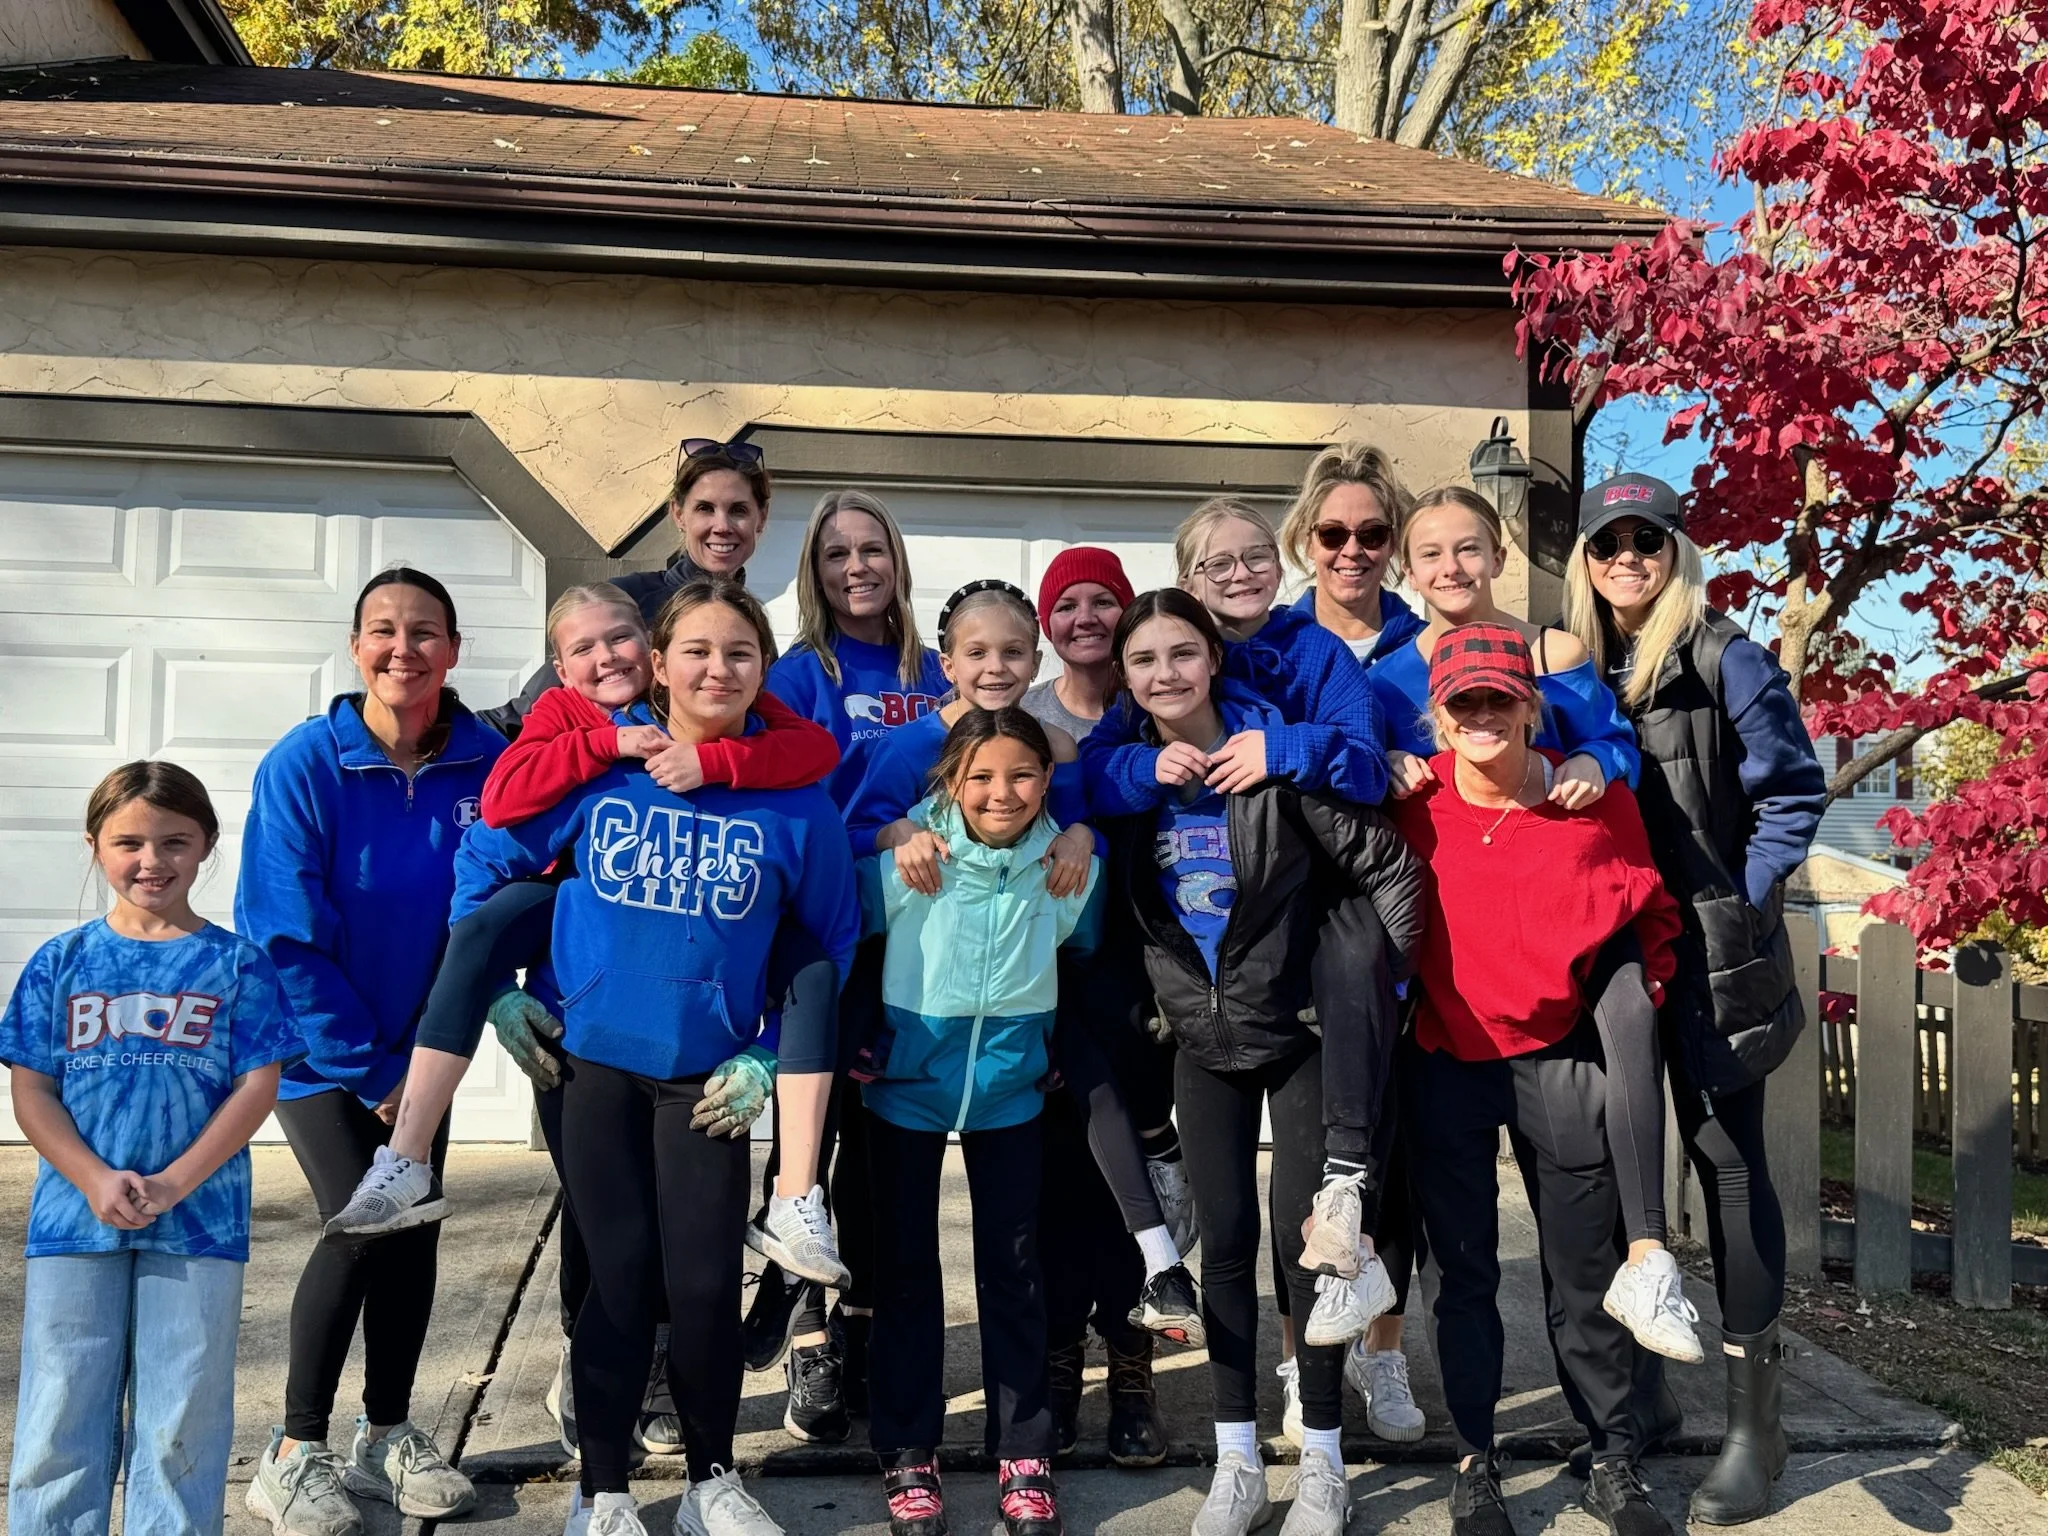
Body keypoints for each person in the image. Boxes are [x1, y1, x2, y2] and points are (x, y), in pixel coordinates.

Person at [453, 578, 860, 1536]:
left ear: (763, 672)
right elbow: (487, 864)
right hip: (587, 1065)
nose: (717, 669)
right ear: (660, 663)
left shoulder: (796, 800)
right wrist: (500, 990)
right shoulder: (600, 769)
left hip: (708, 1079)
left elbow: (829, 942)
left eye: (740, 655)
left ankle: (714, 1482)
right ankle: (604, 1497)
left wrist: (766, 1051)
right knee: (621, 1276)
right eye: (698, 652)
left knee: (708, 1284)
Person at [1099, 589, 1424, 1536]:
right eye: (1145, 660)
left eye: (1183, 654)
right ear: (1125, 677)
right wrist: (1131, 770)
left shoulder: (1271, 760)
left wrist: (1368, 995)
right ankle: (1237, 1460)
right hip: (1203, 1048)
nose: (1167, 675)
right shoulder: (1129, 781)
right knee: (1227, 1250)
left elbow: (1389, 871)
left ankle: (1323, 1461)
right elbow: (1075, 802)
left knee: (1308, 1252)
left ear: (1214, 659)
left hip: (1296, 1038)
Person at [1368, 486, 1699, 1363]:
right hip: (1453, 905)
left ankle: (1646, 1264)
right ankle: (1378, 1329)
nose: (1450, 568)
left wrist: (1592, 752)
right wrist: (1388, 759)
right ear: (1409, 567)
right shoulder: (1394, 670)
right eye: (1431, 553)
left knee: (1627, 1013)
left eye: (1468, 549)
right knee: (1424, 1168)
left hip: (1564, 878)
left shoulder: (1552, 649)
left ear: (1499, 555)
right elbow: (1362, 757)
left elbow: (1617, 744)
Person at [1566, 474, 1826, 1525]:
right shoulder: (1575, 662)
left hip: (1710, 957)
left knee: (1723, 1162)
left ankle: (1752, 1433)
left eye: (1646, 540)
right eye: (1606, 543)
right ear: (1584, 559)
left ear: (1674, 548)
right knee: (1615, 1168)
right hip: (1608, 953)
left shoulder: (1726, 656)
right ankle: (1642, 1399)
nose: (1626, 558)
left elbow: (1791, 791)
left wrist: (1736, 897)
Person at [848, 580, 1201, 1345]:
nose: (996, 666)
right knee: (885, 1202)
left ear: (1035, 658)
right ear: (947, 663)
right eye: (977, 652)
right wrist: (896, 834)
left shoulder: (1054, 746)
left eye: (1013, 652)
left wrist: (1085, 840)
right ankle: (828, 1316)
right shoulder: (908, 746)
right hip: (920, 973)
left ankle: (1147, 1253)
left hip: (1025, 963)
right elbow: (859, 831)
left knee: (1080, 1080)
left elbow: (1076, 828)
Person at [1390, 623, 1684, 1536]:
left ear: (1530, 705)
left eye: (1499, 699)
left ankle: (1611, 1454)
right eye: (1463, 702)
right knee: (1464, 1269)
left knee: (1582, 1262)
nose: (1482, 716)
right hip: (1446, 1057)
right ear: (1439, 717)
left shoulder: (1588, 799)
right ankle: (1475, 1459)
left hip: (1558, 1057)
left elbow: (1647, 915)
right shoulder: (1410, 801)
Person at [237, 567, 493, 1536]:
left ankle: (384, 1434)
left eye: (424, 632)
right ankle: (293, 1450)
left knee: (416, 1224)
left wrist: (440, 1047)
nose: (403, 649)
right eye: (382, 631)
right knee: (361, 1221)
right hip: (313, 1053)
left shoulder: (482, 760)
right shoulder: (307, 763)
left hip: (426, 1050)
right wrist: (376, 1073)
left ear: (454, 651)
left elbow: (509, 883)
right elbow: (282, 932)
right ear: (355, 649)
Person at [4, 762, 299, 1536]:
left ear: (206, 846)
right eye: (129, 841)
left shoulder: (237, 964)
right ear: (95, 845)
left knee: (183, 1416)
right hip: (74, 1221)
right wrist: (94, 1177)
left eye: (175, 841)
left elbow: (256, 1087)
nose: (151, 861)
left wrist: (172, 1183)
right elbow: (33, 1090)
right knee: (61, 1407)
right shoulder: (59, 965)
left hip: (201, 1223)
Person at [861, 707, 1102, 1536]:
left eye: (1024, 775)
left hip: (1012, 1094)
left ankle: (1023, 1451)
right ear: (950, 782)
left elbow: (1086, 957)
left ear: (1048, 780)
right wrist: (865, 1040)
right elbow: (845, 943)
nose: (1003, 793)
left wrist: (1054, 1050)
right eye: (983, 778)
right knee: (902, 1272)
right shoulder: (906, 862)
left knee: (1015, 1268)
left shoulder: (1067, 866)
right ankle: (906, 1449)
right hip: (905, 1090)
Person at [746, 488, 948, 1440]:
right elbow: (805, 798)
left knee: (881, 1158)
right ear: (815, 573)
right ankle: (807, 1341)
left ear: (897, 563)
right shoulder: (796, 675)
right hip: (832, 937)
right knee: (808, 1149)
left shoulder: (945, 669)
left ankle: (863, 1335)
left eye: (874, 549)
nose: (858, 567)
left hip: (922, 945)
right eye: (837, 555)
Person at [1273, 442, 1430, 1446]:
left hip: (1403, 920)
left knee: (1391, 1161)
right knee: (1303, 1164)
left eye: (1373, 533)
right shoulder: (1274, 643)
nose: (1352, 549)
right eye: (1332, 533)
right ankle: (1300, 1368)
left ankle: (1380, 1352)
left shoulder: (1429, 643)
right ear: (1304, 539)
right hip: (1293, 922)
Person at [1021, 550, 1180, 1468]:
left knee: (1127, 1186)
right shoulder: (1024, 715)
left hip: (1139, 979)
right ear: (1047, 622)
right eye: (1067, 603)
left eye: (1103, 601)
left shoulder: (1148, 705)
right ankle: (1054, 1360)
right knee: (1047, 1181)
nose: (1085, 616)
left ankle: (1130, 1366)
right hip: (1041, 982)